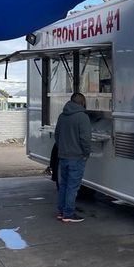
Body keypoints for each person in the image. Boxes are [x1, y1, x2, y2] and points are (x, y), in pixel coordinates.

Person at [54, 93, 91, 223]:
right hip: (76, 157)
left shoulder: (62, 116)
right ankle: (68, 214)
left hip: (63, 156)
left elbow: (57, 136)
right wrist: (87, 153)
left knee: (63, 185)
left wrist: (62, 149)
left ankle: (61, 211)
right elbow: (85, 139)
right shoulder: (83, 117)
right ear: (82, 102)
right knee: (72, 187)